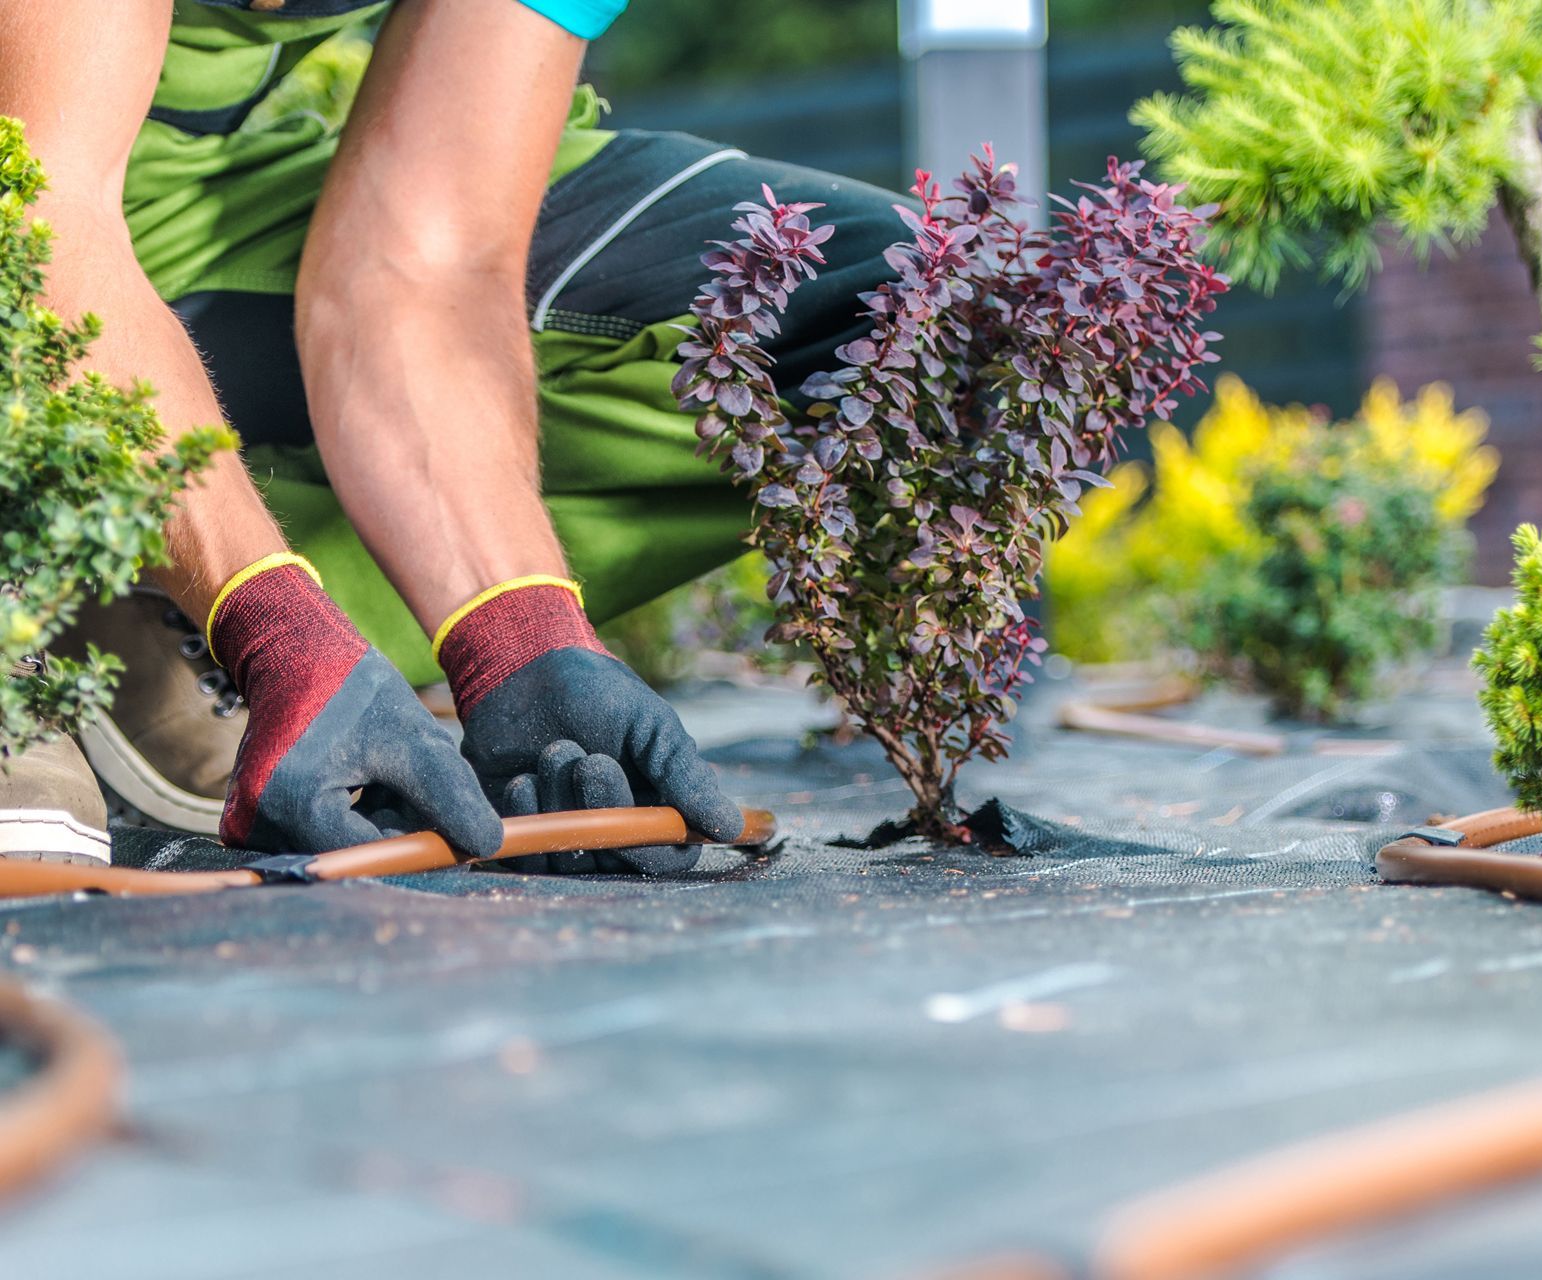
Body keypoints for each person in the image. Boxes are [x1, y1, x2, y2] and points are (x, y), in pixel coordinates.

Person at [0, 0, 901, 867]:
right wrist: (274, 628)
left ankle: (154, 600)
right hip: (40, 179)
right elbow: (41, 206)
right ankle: (74, 591)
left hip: (186, 206)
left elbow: (424, 262)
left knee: (919, 316)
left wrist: (517, 637)